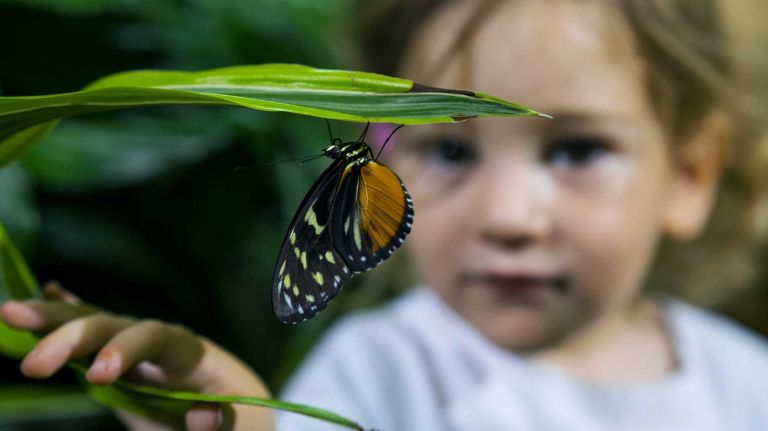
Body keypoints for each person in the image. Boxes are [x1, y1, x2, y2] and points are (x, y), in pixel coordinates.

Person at [2, 0, 767, 429]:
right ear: (385, 151)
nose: (509, 216)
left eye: (574, 151)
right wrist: (234, 412)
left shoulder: (747, 383)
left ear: (690, 174)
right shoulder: (387, 366)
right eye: (453, 154)